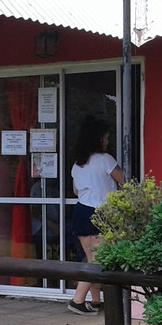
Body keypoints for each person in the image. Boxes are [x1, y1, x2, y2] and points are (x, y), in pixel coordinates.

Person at [68, 118, 124, 314]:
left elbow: (76, 191)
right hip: (101, 212)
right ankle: (77, 300)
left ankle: (96, 301)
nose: (107, 142)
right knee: (98, 260)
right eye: (106, 138)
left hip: (82, 211)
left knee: (91, 257)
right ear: (97, 139)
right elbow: (124, 182)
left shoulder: (77, 164)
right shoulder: (106, 159)